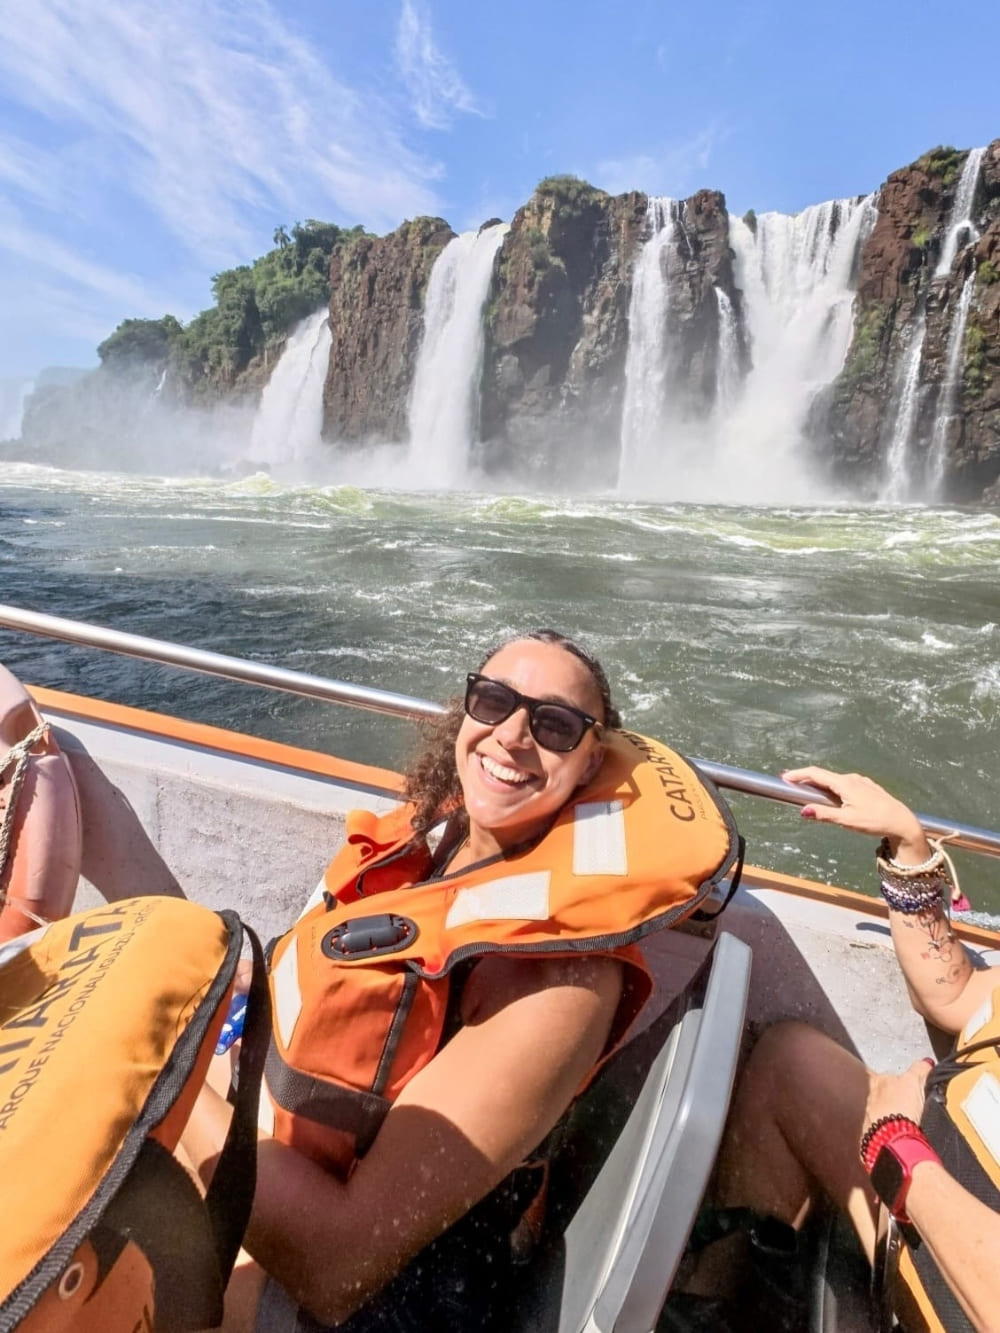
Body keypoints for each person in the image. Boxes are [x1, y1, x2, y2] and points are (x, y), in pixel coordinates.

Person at [181, 629, 738, 1332]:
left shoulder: (560, 982)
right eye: (495, 700)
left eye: (554, 724)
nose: (510, 735)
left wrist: (160, 1081)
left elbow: (337, 1269)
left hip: (366, 1303)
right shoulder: (438, 840)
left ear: (591, 759)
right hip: (266, 1162)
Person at [691, 766, 1000, 1333]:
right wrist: (908, 846)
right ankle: (715, 1307)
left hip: (961, 1270)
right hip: (942, 1175)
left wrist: (899, 1146)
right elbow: (958, 994)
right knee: (790, 1064)